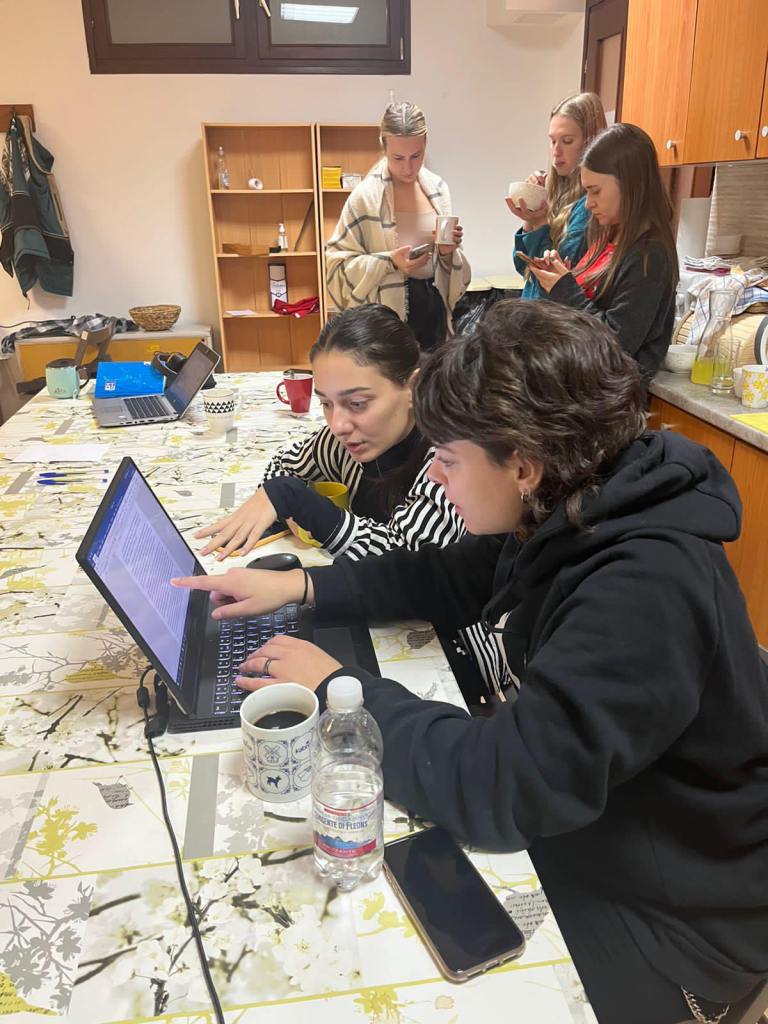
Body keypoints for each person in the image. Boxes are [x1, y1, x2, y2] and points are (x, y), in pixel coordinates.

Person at [175, 300, 768, 1024]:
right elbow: (445, 577)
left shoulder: (643, 588)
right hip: (605, 827)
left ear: (522, 464)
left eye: (449, 459)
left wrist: (338, 687)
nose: (436, 474)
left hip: (680, 925)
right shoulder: (571, 503)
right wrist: (301, 586)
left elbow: (501, 788)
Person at [195, 303, 508, 702]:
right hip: (376, 623)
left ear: (413, 387)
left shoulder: (450, 460)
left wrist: (299, 502)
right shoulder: (347, 442)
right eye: (326, 403)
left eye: (357, 403)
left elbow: (406, 567)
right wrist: (280, 498)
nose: (338, 424)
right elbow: (287, 464)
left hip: (452, 656)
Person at [526, 122, 678, 377]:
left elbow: (616, 346)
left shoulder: (649, 255)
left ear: (630, 185)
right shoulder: (604, 235)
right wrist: (553, 282)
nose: (588, 204)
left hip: (606, 396)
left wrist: (565, 289)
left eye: (595, 191)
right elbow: (577, 315)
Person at [325, 102, 471, 351]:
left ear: (425, 144)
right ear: (383, 147)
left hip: (433, 317)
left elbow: (447, 269)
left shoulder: (438, 189)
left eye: (416, 156)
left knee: (432, 376)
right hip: (385, 322)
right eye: (398, 158)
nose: (408, 167)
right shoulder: (365, 198)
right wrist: (390, 262)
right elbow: (336, 268)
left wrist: (447, 252)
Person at [508, 92, 607, 301]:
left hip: (551, 317)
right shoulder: (555, 193)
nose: (556, 151)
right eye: (552, 141)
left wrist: (539, 223)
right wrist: (530, 215)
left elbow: (554, 282)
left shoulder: (589, 207)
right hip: (533, 314)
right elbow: (522, 267)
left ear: (590, 144)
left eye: (567, 141)